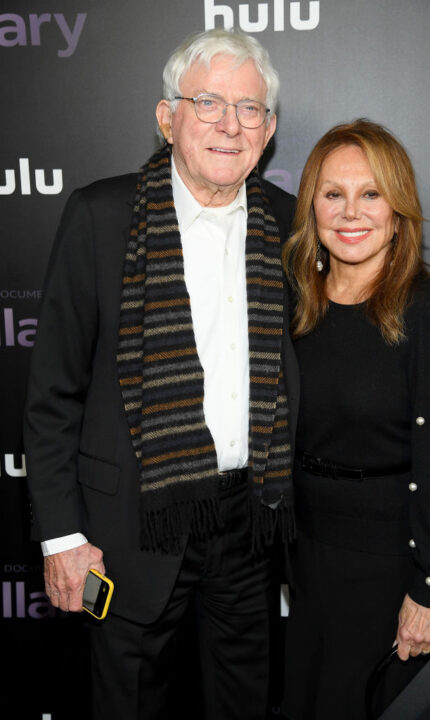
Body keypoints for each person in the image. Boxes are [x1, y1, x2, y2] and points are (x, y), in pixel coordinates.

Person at [23, 28, 299, 720]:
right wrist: (62, 537)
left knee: (245, 703)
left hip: (249, 523)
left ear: (268, 132)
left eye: (250, 110)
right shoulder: (100, 217)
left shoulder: (289, 225)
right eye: (208, 102)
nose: (230, 126)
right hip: (126, 529)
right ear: (165, 115)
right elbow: (53, 394)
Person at [281, 119, 430, 719]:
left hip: (387, 567)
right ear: (311, 206)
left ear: (398, 209)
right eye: (333, 194)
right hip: (303, 557)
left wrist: (429, 588)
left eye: (371, 193)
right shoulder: (294, 303)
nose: (350, 212)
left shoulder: (425, 308)